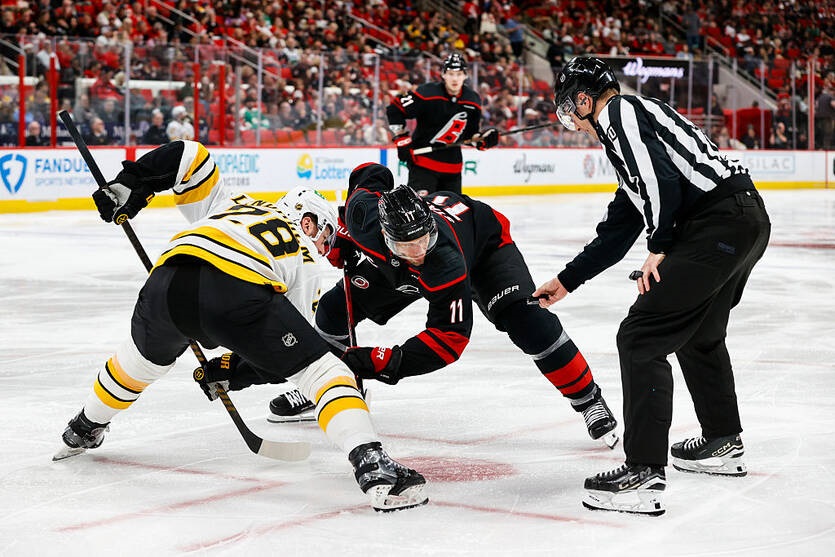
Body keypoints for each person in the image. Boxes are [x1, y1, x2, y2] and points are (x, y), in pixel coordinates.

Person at [53, 140, 428, 513]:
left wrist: (132, 184)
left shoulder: (231, 203)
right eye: (325, 236)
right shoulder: (306, 259)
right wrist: (233, 372)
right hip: (237, 288)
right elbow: (283, 358)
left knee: (137, 366)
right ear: (308, 221)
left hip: (166, 281)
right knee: (325, 372)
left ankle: (83, 427)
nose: (324, 249)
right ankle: (373, 465)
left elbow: (189, 156)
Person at [535, 57, 771, 515]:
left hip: (718, 225)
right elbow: (618, 230)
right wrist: (566, 281)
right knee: (699, 334)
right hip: (743, 221)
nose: (573, 124)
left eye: (569, 111)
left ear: (583, 100)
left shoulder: (619, 113)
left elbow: (660, 182)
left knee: (641, 336)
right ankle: (723, 441)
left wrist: (660, 244)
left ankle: (643, 472)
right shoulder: (634, 134)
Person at [267, 162, 619, 450]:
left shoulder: (442, 261)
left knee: (528, 322)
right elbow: (371, 172)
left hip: (484, 248)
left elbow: (449, 339)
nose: (418, 252)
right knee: (332, 310)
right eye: (408, 246)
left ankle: (589, 400)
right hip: (397, 265)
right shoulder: (365, 218)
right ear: (385, 236)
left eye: (423, 241)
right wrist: (347, 238)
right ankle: (325, 385)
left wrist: (382, 362)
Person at [385, 52, 498, 196]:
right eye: (451, 74)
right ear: (443, 75)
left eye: (459, 74)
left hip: (453, 169)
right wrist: (402, 139)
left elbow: (469, 135)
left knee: (450, 210)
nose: (455, 79)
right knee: (419, 209)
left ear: (465, 75)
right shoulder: (427, 93)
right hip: (423, 165)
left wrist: (482, 140)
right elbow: (395, 109)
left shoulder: (473, 100)